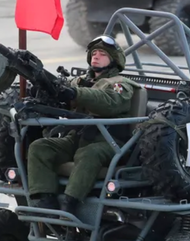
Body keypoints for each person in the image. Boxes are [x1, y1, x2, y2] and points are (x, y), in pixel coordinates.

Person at [26, 35, 141, 215]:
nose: (96, 56)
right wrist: (44, 89)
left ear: (114, 60)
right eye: (94, 53)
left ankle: (70, 203)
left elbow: (109, 103)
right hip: (78, 137)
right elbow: (62, 98)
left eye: (102, 53)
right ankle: (44, 202)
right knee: (40, 147)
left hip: (109, 142)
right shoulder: (79, 81)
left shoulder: (120, 84)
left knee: (88, 154)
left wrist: (74, 93)